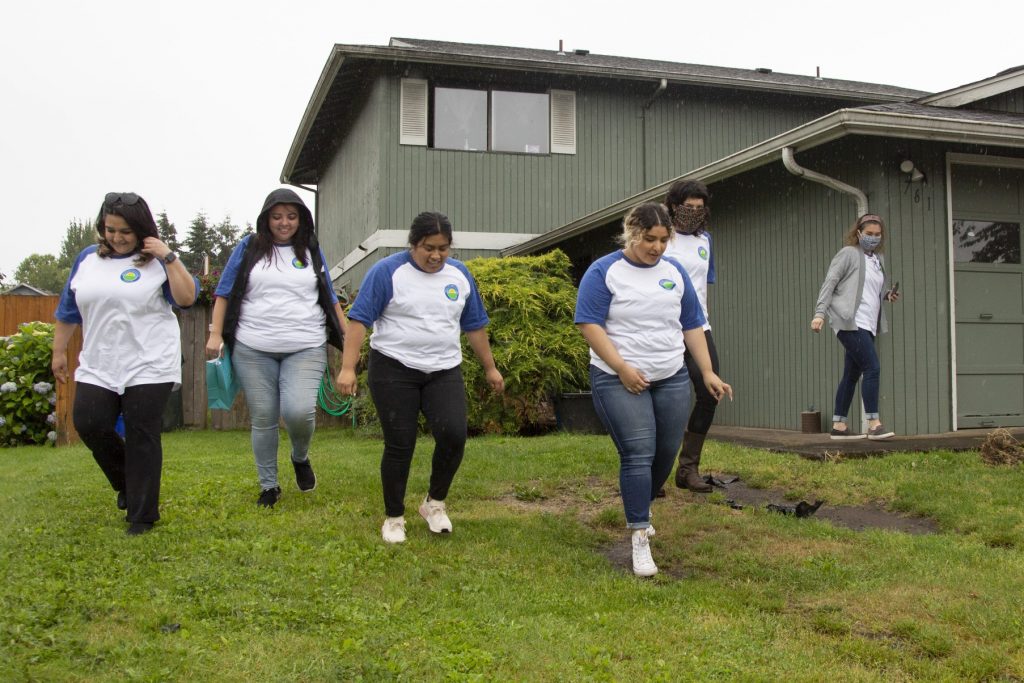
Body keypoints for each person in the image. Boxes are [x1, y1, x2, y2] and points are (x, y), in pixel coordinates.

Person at [575, 202, 732, 577]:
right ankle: (639, 535)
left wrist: (707, 372)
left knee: (665, 451)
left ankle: (638, 504)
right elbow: (589, 324)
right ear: (631, 234)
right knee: (639, 451)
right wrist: (622, 367)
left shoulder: (674, 272)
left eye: (663, 240)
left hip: (670, 375)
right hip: (617, 377)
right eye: (649, 239)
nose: (657, 247)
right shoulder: (605, 271)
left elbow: (692, 324)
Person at [337, 211, 504, 544]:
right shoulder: (387, 272)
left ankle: (434, 503)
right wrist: (347, 367)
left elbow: (474, 325)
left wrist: (490, 367)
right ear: (413, 244)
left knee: (453, 435)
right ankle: (394, 518)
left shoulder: (459, 275)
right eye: (429, 248)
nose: (436, 255)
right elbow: (359, 321)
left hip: (443, 369)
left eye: (443, 248)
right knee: (400, 444)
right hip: (393, 369)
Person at [52, 192, 199, 535]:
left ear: (141, 229)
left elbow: (187, 298)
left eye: (125, 232)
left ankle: (142, 515)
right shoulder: (87, 259)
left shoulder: (157, 262)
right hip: (99, 361)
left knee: (141, 432)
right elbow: (69, 309)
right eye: (110, 230)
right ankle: (128, 485)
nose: (116, 238)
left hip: (150, 360)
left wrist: (169, 256)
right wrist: (58, 351)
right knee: (89, 422)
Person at [206, 188, 346, 507]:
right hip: (252, 348)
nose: (284, 223)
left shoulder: (310, 248)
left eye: (291, 216)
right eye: (277, 216)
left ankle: (300, 456)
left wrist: (347, 332)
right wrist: (215, 334)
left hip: (306, 345)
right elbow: (224, 292)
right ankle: (269, 486)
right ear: (266, 218)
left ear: (301, 219)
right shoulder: (250, 247)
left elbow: (329, 294)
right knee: (264, 417)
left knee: (298, 412)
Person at [811, 213, 900, 440]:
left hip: (868, 324)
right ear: (858, 233)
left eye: (877, 234)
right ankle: (874, 424)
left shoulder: (878, 260)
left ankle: (839, 426)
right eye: (869, 233)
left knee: (851, 375)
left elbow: (867, 288)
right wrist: (819, 313)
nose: (873, 238)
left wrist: (887, 295)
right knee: (872, 367)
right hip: (850, 322)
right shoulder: (849, 253)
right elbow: (830, 282)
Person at [664, 179, 720, 492]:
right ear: (674, 206)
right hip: (664, 328)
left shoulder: (705, 240)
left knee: (710, 393)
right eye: (688, 207)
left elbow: (701, 285)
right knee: (661, 398)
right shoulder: (662, 238)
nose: (694, 212)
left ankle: (688, 469)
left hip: (698, 327)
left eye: (700, 208)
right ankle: (653, 471)